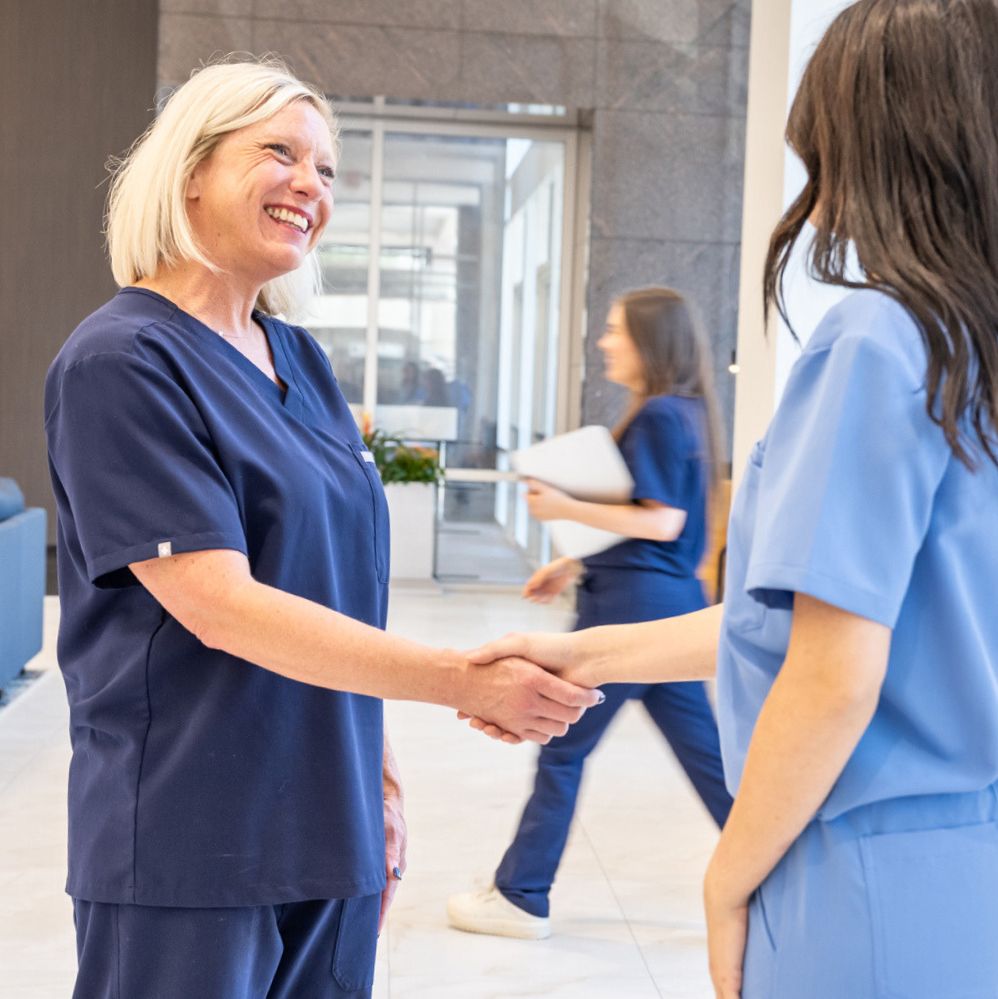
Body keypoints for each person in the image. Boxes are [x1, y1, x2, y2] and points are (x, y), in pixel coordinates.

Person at [463, 1, 998, 996]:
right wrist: (581, 653)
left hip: (856, 864)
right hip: (966, 863)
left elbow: (833, 672)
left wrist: (726, 880)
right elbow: (798, 619)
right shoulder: (969, 354)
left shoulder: (875, 343)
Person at [43, 59, 600, 999]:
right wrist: (460, 680)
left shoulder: (299, 357)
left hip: (328, 823)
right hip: (192, 837)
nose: (312, 184)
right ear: (188, 170)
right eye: (280, 153)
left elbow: (339, 583)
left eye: (329, 170)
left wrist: (374, 777)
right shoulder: (121, 361)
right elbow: (222, 607)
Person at [448, 288, 733, 940]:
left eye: (615, 330)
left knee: (561, 744)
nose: (604, 341)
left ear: (649, 340)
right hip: (664, 603)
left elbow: (663, 520)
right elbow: (647, 519)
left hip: (633, 609)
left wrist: (563, 508)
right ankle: (784, 879)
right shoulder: (683, 411)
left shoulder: (659, 415)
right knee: (710, 762)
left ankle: (520, 897)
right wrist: (570, 563)